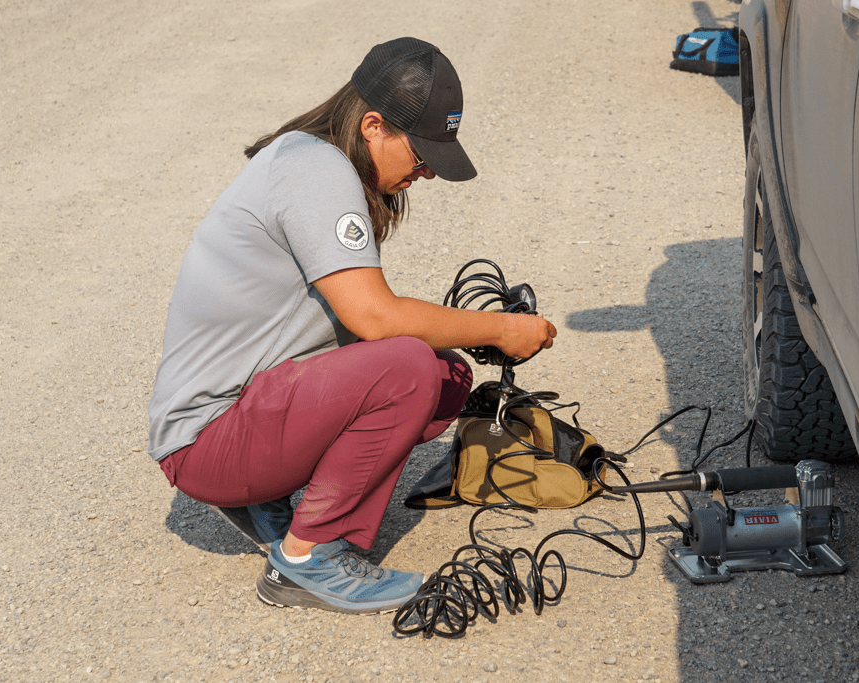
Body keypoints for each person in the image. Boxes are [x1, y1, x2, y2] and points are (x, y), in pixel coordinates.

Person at [147, 37, 557, 616]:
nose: (427, 173)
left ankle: (267, 498)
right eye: (421, 154)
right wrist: (495, 329)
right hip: (207, 440)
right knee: (410, 369)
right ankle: (307, 560)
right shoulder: (316, 171)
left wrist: (470, 336)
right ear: (373, 126)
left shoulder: (306, 158)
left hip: (232, 415)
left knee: (445, 377)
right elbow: (374, 316)